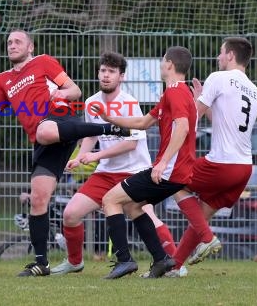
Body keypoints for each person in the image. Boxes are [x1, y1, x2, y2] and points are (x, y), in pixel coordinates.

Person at [0, 30, 131, 277]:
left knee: (43, 131)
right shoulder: (3, 80)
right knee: (38, 199)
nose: (12, 45)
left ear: (30, 47)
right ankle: (41, 263)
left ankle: (108, 127)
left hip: (60, 119)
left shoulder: (43, 61)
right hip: (44, 140)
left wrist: (62, 93)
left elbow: (75, 91)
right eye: (9, 43)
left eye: (18, 42)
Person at [49, 51, 178, 276]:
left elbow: (131, 144)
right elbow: (92, 135)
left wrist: (95, 157)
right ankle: (74, 262)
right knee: (70, 214)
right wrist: (80, 157)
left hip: (134, 172)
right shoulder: (91, 102)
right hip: (106, 173)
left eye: (111, 71)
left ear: (122, 77)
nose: (106, 75)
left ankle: (174, 265)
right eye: (103, 70)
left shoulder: (129, 103)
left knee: (146, 214)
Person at [92, 46, 196, 279]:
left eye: (162, 61)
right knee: (132, 206)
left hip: (169, 171)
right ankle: (161, 260)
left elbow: (183, 127)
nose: (160, 65)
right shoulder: (177, 93)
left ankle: (124, 260)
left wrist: (162, 164)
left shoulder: (175, 92)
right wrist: (109, 118)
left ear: (169, 64)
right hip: (177, 172)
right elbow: (142, 121)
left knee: (110, 199)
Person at [171, 37, 257, 270]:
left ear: (230, 55)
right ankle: (175, 266)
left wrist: (192, 102)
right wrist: (204, 100)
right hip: (244, 168)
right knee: (201, 215)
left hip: (223, 163)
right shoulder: (253, 89)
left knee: (173, 181)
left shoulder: (218, 78)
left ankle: (208, 239)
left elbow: (192, 116)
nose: (218, 57)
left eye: (221, 53)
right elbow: (224, 121)